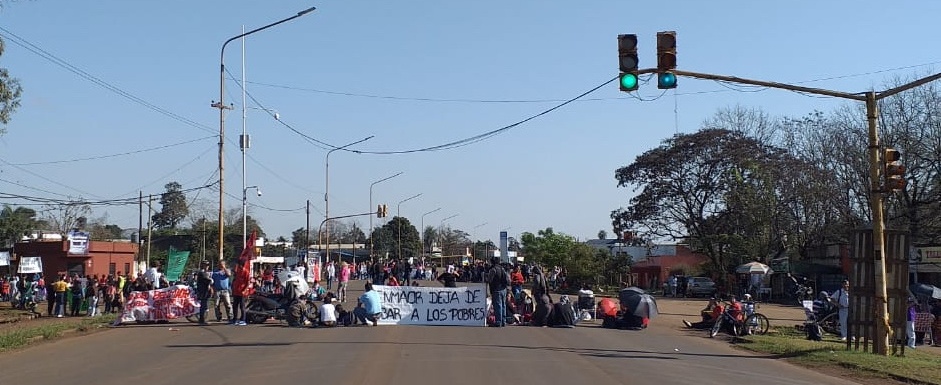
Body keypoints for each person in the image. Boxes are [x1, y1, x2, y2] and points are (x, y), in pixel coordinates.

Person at [486, 258, 510, 327]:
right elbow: (508, 280)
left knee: (498, 306)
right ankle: (503, 321)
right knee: (503, 305)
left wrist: (486, 278)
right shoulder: (502, 269)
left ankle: (498, 322)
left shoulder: (493, 269)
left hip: (496, 289)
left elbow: (490, 280)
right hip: (504, 289)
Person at [195, 261, 214, 325]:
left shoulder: (206, 272)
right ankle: (201, 320)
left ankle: (202, 319)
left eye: (208, 265)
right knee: (203, 306)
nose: (207, 266)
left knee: (205, 306)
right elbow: (208, 280)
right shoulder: (201, 273)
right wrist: (211, 280)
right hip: (203, 292)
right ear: (202, 265)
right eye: (206, 265)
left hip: (206, 291)